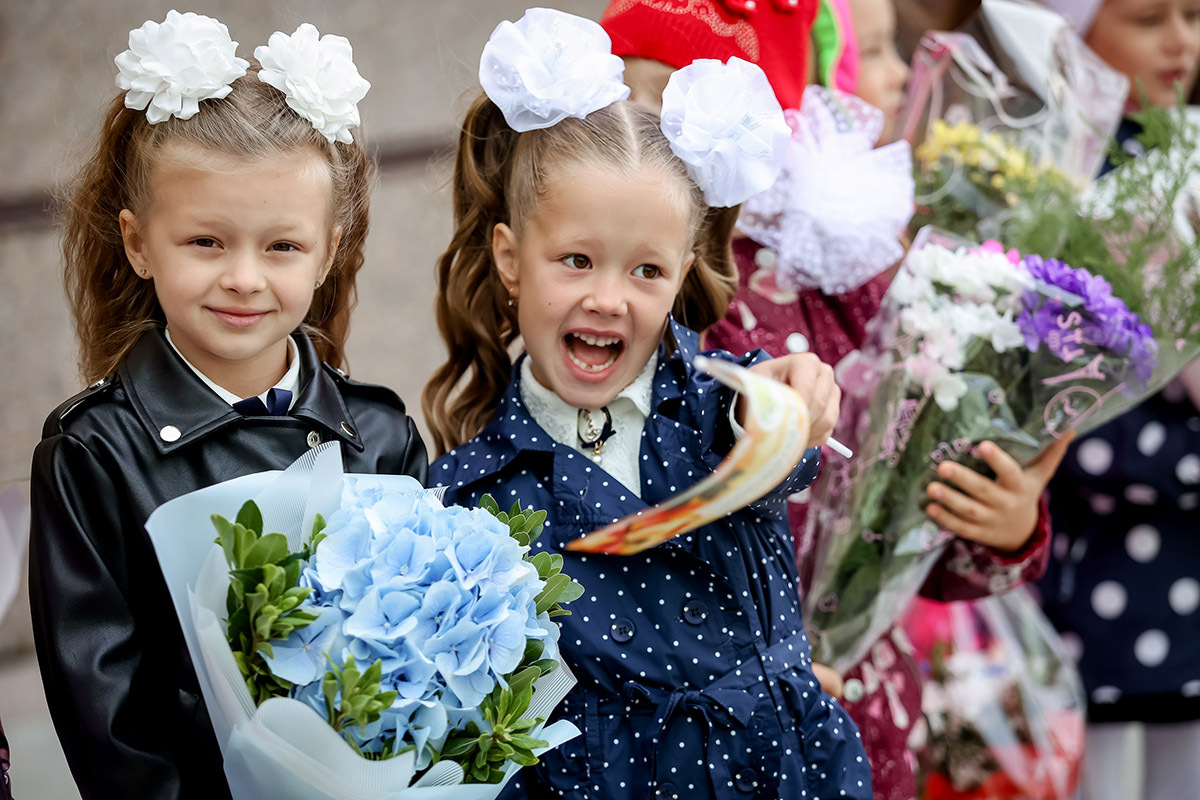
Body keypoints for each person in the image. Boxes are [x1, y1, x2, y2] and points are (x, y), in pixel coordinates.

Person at [602, 2, 1065, 798]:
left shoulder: (845, 272)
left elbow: (907, 505)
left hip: (858, 709)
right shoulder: (613, 301)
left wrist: (1005, 523)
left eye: (689, 98)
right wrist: (747, 655)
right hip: (695, 718)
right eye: (636, 101)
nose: (662, 134)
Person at [423, 8, 872, 798]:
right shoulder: (468, 494)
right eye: (576, 260)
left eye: (646, 272)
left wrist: (797, 398)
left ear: (682, 273)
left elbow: (776, 425)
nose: (608, 299)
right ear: (510, 258)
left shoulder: (721, 406)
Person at [28, 13, 427, 800]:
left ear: (330, 248)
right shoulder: (93, 455)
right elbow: (108, 725)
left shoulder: (379, 434)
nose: (244, 278)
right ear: (140, 244)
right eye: (206, 242)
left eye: (281, 246)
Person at [1034, 2, 1200, 798]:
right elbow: (1056, 387)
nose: (1181, 40)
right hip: (1084, 549)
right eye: (1146, 17)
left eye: (1194, 15)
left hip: (1185, 555)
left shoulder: (1188, 158)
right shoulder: (1055, 171)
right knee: (1093, 770)